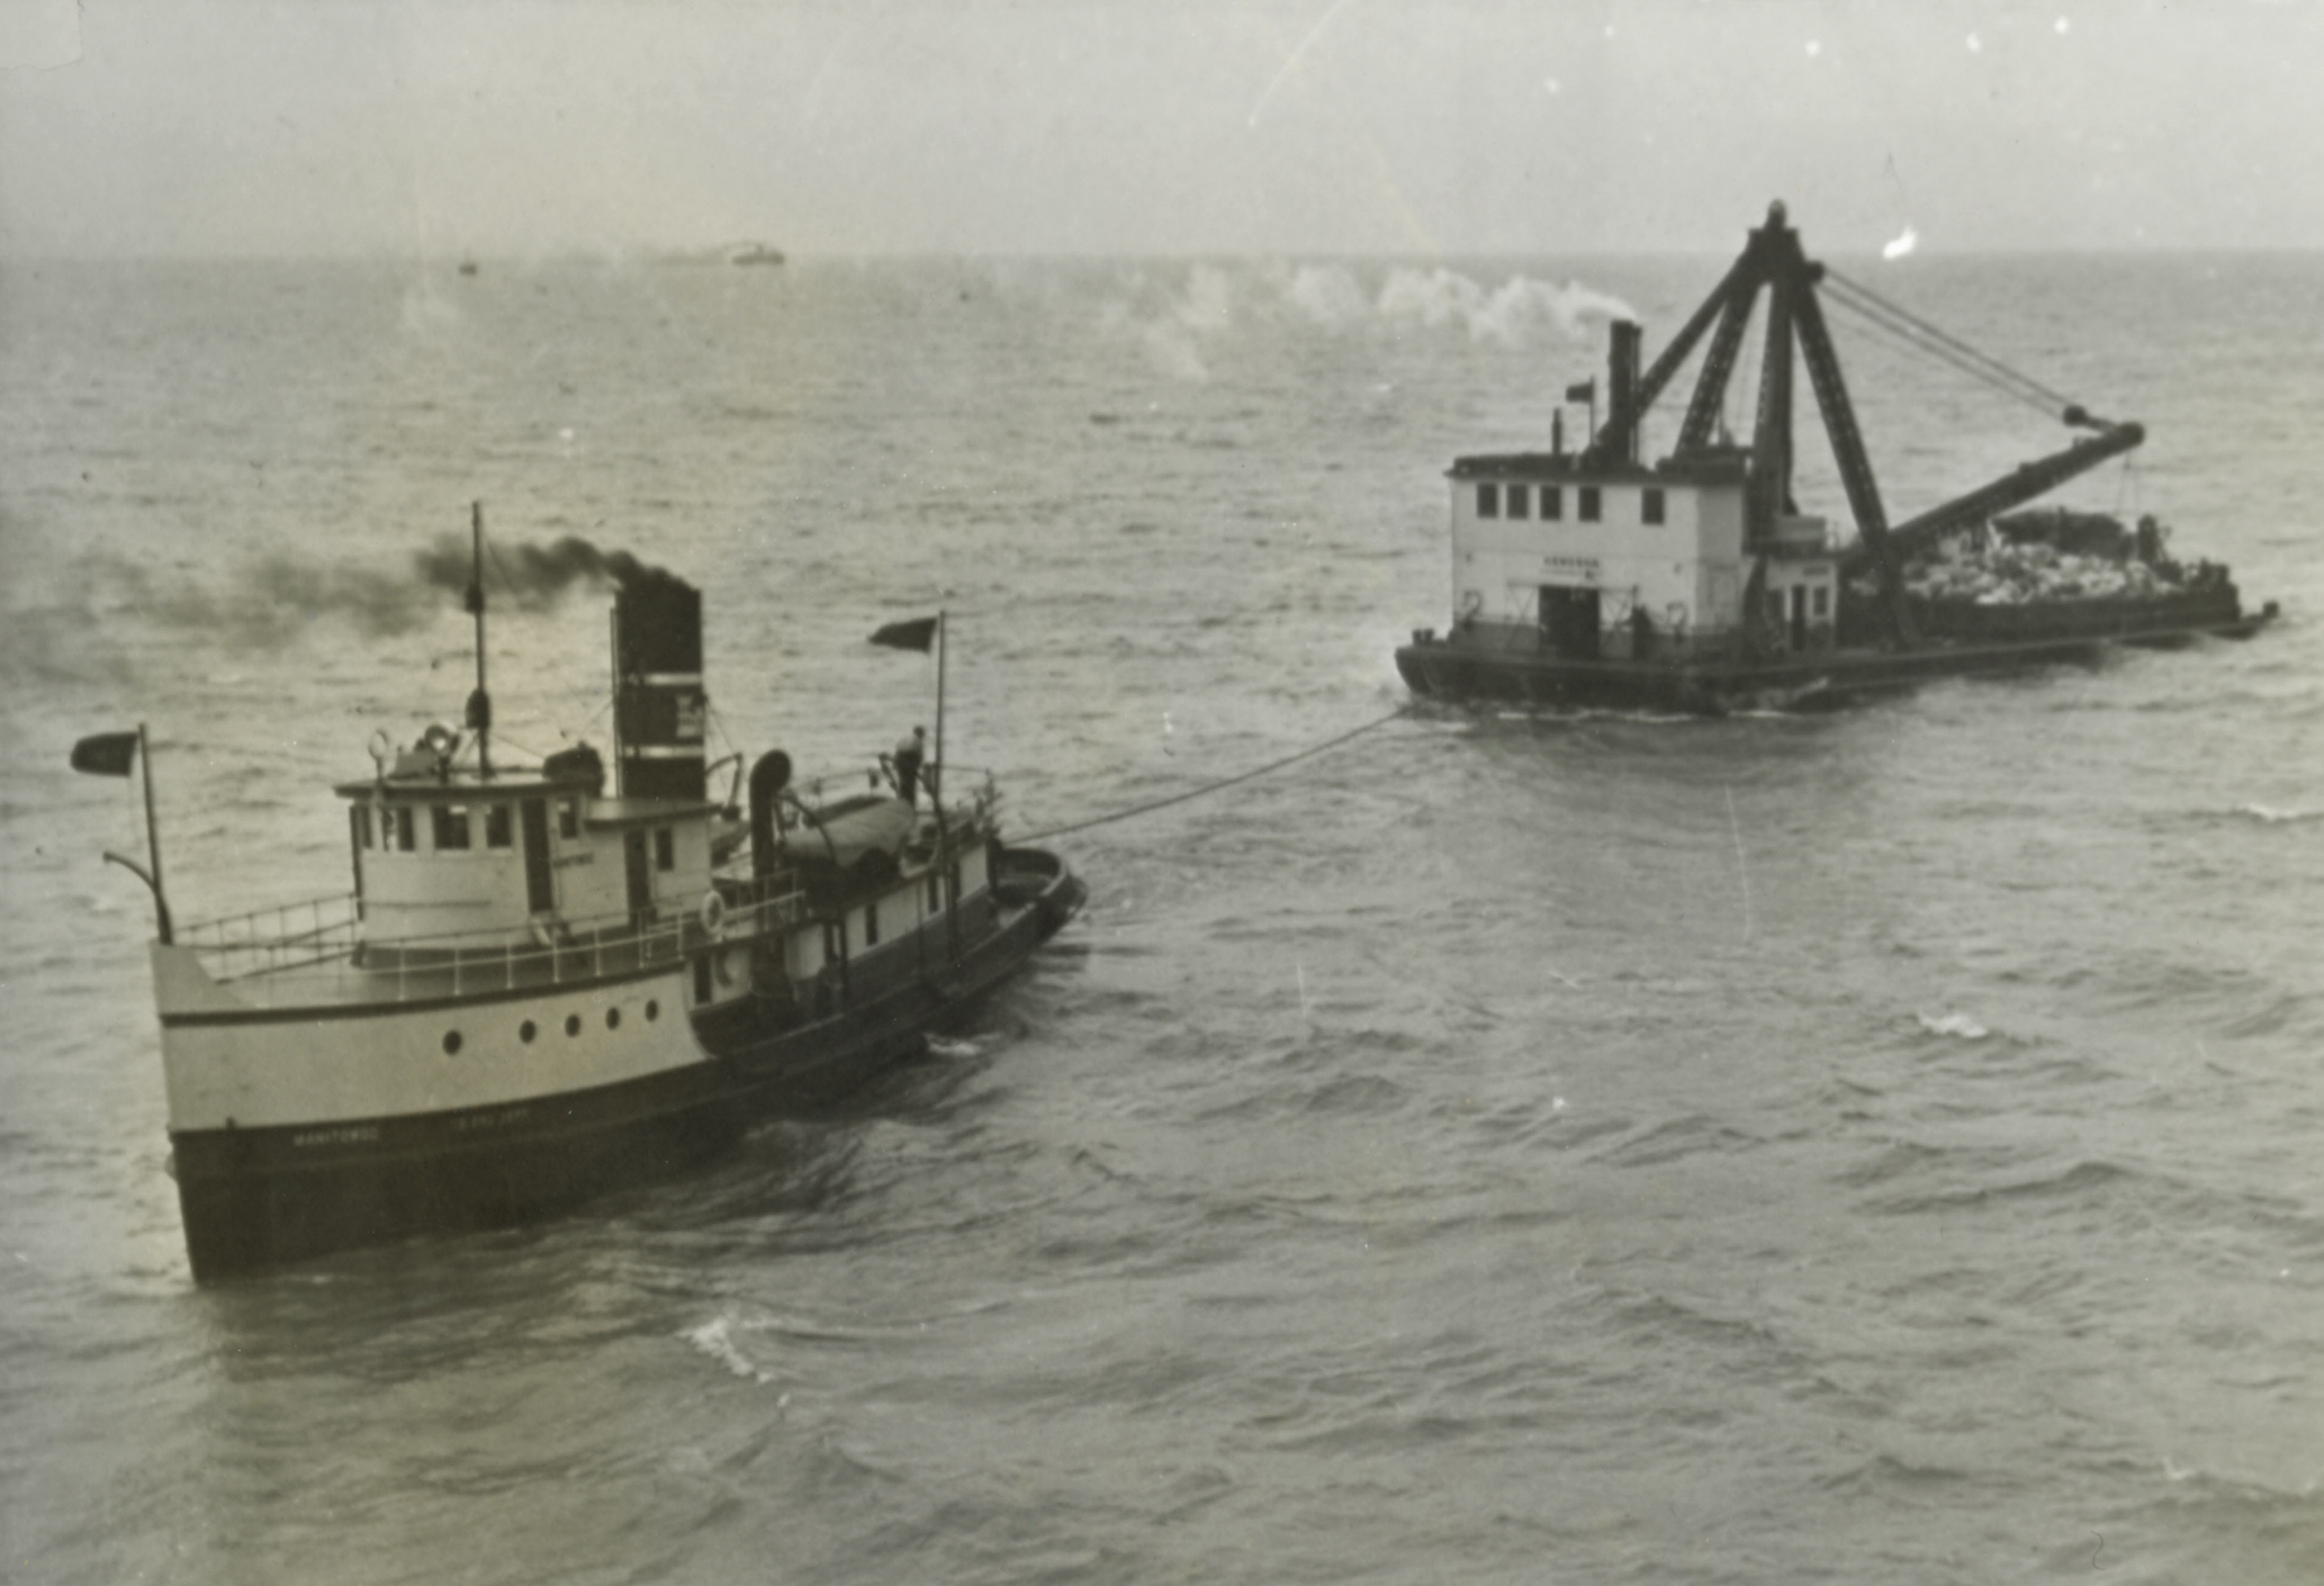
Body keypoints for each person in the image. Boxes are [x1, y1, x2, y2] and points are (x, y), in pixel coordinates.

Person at [893, 726, 926, 807]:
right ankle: (910, 806)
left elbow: (897, 752)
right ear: (920, 734)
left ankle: (902, 804)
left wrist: (895, 765)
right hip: (909, 760)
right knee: (910, 786)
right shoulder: (918, 741)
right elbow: (919, 755)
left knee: (902, 784)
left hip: (899, 760)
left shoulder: (905, 738)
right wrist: (916, 768)